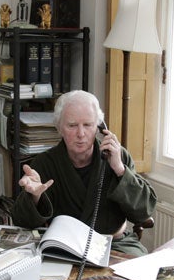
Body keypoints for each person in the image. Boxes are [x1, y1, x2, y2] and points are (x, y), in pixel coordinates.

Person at [12, 90, 156, 256]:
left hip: (113, 246)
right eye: (72, 125)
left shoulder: (118, 156)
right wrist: (34, 198)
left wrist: (120, 170)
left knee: (134, 276)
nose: (81, 134)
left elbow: (144, 212)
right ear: (60, 128)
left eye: (88, 125)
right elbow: (21, 222)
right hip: (64, 248)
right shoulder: (44, 163)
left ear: (99, 127)